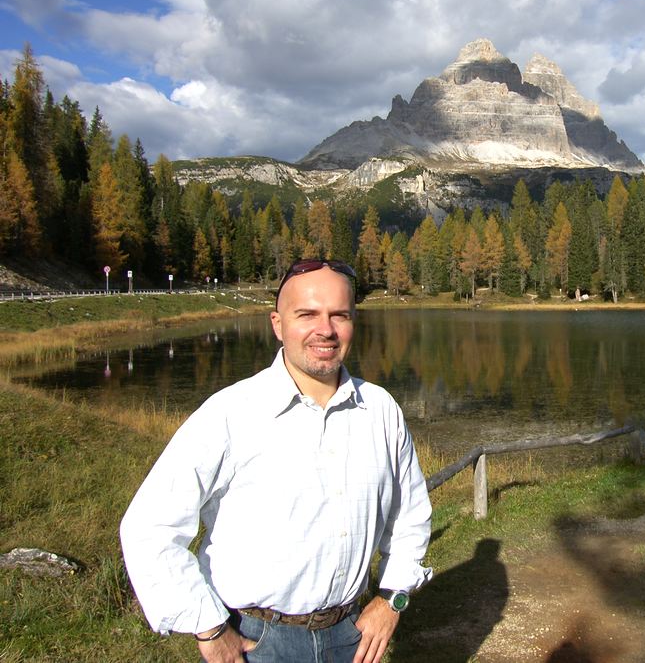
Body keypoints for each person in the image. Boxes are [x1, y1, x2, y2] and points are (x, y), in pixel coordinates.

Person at [120, 259, 433, 663]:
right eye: (307, 314)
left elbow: (410, 517)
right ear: (277, 324)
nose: (326, 329)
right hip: (256, 642)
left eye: (339, 315)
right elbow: (149, 527)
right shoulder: (231, 413)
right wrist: (209, 626)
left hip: (352, 637)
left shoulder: (381, 410)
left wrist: (393, 599)